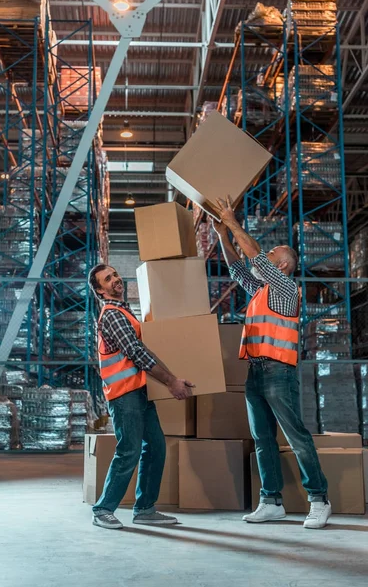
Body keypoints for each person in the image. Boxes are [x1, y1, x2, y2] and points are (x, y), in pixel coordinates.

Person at [214, 196, 331, 530]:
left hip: (279, 372)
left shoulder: (284, 286)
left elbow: (253, 258)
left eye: (272, 254)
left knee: (296, 437)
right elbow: (238, 267)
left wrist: (232, 220)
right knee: (262, 438)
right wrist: (224, 235)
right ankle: (271, 501)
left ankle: (319, 500)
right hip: (256, 372)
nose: (265, 255)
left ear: (282, 266)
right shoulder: (262, 290)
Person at [88, 263, 194, 530]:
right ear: (100, 291)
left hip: (140, 393)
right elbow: (136, 351)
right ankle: (103, 509)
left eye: (114, 275)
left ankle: (145, 508)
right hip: (124, 396)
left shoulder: (125, 311)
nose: (115, 280)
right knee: (129, 451)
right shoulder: (112, 315)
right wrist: (171, 381)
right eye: (107, 279)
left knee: (156, 447)